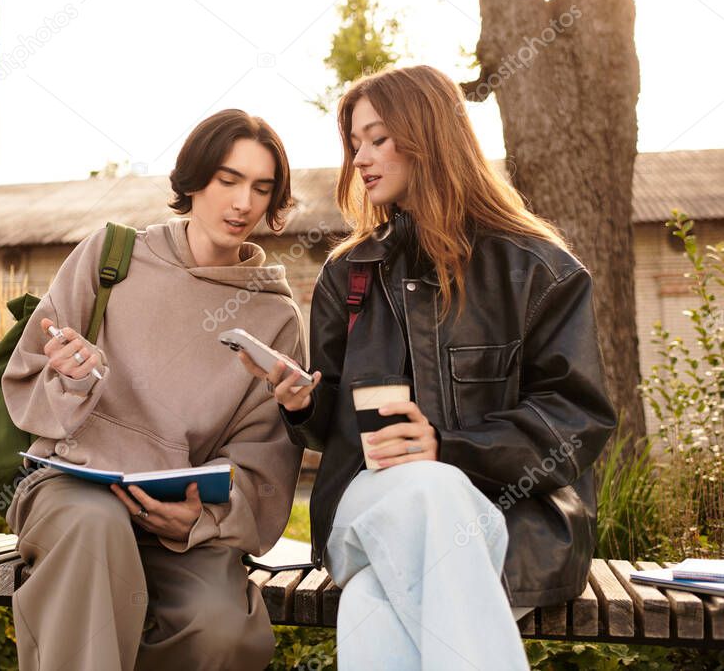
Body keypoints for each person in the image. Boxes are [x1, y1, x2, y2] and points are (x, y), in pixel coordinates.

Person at [240, 65, 617, 670]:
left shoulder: (541, 271)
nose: (361, 157)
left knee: (372, 605)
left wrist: (449, 447)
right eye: (355, 142)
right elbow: (335, 423)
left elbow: (578, 420)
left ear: (429, 134)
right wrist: (304, 405)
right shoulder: (349, 274)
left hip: (513, 519)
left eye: (378, 138)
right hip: (367, 506)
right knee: (428, 488)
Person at [1, 109, 308, 671]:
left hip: (179, 523)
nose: (243, 203)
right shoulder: (110, 257)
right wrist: (71, 377)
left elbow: (264, 456)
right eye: (228, 180)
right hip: (74, 494)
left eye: (261, 188)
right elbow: (25, 381)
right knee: (97, 527)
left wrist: (202, 521)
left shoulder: (275, 316)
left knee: (222, 631)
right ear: (193, 180)